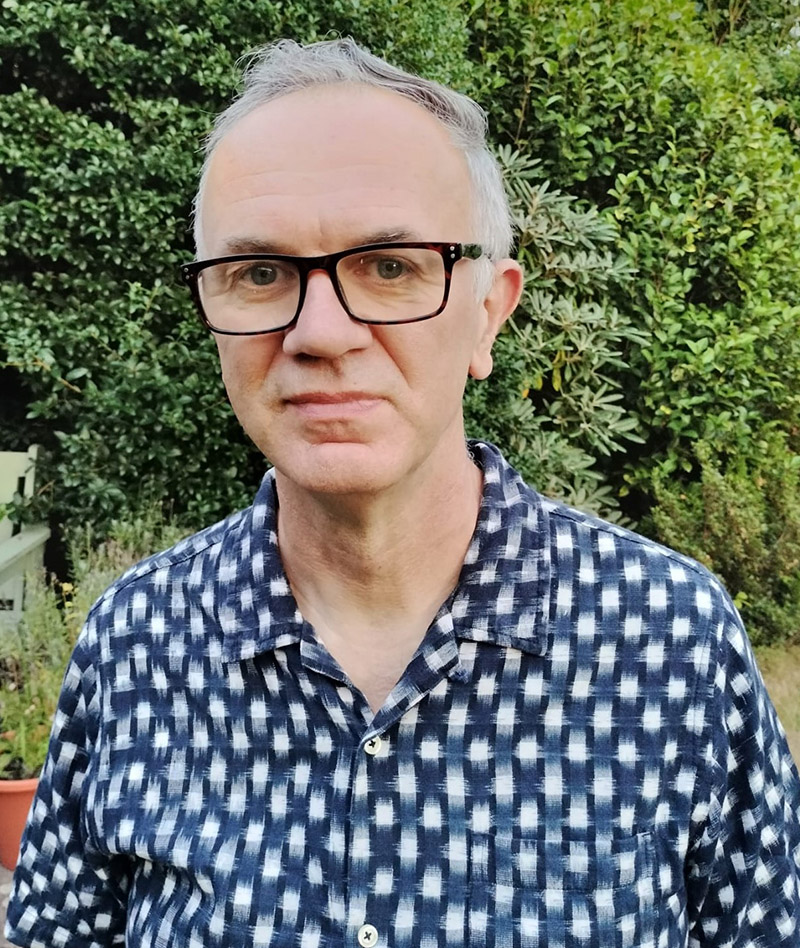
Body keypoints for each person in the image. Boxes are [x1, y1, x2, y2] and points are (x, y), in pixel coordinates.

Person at [6, 36, 800, 948]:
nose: (320, 331)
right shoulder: (135, 645)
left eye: (391, 266)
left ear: (490, 310)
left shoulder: (673, 642)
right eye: (260, 273)